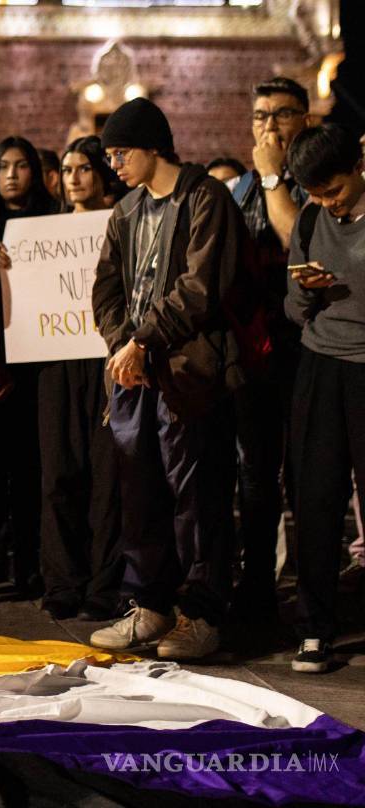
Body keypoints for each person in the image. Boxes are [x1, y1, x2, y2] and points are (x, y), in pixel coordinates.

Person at [89, 97, 243, 660]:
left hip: (188, 372)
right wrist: (121, 344)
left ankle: (201, 613)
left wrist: (143, 340)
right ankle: (150, 606)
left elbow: (201, 287)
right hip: (136, 375)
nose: (115, 165)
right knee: (140, 492)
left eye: (121, 152)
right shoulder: (127, 210)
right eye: (109, 155)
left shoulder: (205, 198)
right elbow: (104, 287)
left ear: (154, 146)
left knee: (196, 495)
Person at [225, 76, 312, 619]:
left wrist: (274, 175)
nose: (270, 125)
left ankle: (310, 588)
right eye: (260, 116)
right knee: (255, 474)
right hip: (253, 350)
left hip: (307, 347)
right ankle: (257, 587)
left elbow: (297, 239)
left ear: (305, 119)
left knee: (308, 475)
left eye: (281, 114)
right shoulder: (239, 190)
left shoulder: (311, 180)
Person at [283, 123, 365, 673]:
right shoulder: (311, 219)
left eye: (333, 191)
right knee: (315, 498)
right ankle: (315, 629)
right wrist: (307, 291)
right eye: (314, 194)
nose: (325, 203)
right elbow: (292, 306)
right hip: (319, 364)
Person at [37, 136, 127, 621]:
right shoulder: (46, 233)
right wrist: (12, 272)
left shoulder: (121, 221)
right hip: (56, 359)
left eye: (84, 168)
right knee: (58, 473)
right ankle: (62, 582)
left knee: (106, 475)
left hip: (105, 358)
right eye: (67, 168)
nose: (74, 177)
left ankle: (103, 584)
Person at [0, 136, 59, 594]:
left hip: (38, 359)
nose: (12, 175)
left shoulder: (53, 217)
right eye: (4, 166)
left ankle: (30, 561)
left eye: (22, 166)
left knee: (30, 467)